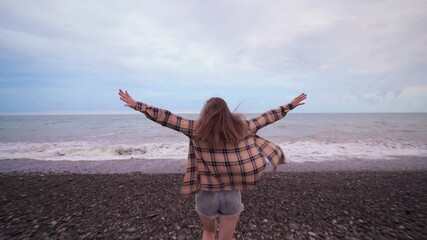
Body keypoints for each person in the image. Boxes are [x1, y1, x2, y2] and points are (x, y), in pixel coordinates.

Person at [119, 89, 307, 240]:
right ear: (226, 112)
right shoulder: (242, 128)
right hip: (232, 194)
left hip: (206, 194)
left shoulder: (195, 129)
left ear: (205, 113)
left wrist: (138, 106)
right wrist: (289, 105)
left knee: (209, 233)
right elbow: (267, 117)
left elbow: (166, 118)